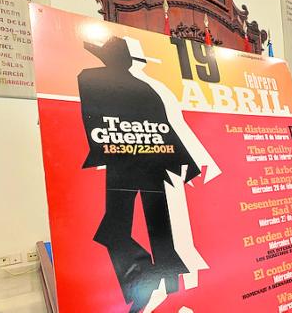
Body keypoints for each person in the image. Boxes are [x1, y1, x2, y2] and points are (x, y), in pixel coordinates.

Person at [78, 37, 201, 312]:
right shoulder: (137, 87)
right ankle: (153, 274)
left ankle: (152, 277)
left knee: (132, 227)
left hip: (129, 164)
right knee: (143, 226)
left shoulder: (91, 79)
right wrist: (187, 165)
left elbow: (163, 127)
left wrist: (187, 165)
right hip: (138, 163)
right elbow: (163, 127)